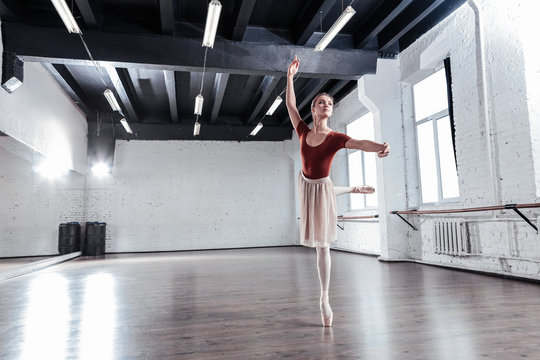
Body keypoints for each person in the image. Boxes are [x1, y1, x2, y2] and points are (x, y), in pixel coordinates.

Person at [286, 55, 390, 327]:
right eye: (322, 102)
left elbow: (360, 143)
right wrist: (289, 78)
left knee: (323, 246)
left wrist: (380, 146)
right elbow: (290, 105)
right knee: (322, 212)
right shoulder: (303, 131)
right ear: (314, 108)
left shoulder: (335, 139)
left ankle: (324, 297)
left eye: (331, 103)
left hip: (321, 187)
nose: (327, 105)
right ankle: (355, 188)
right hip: (306, 185)